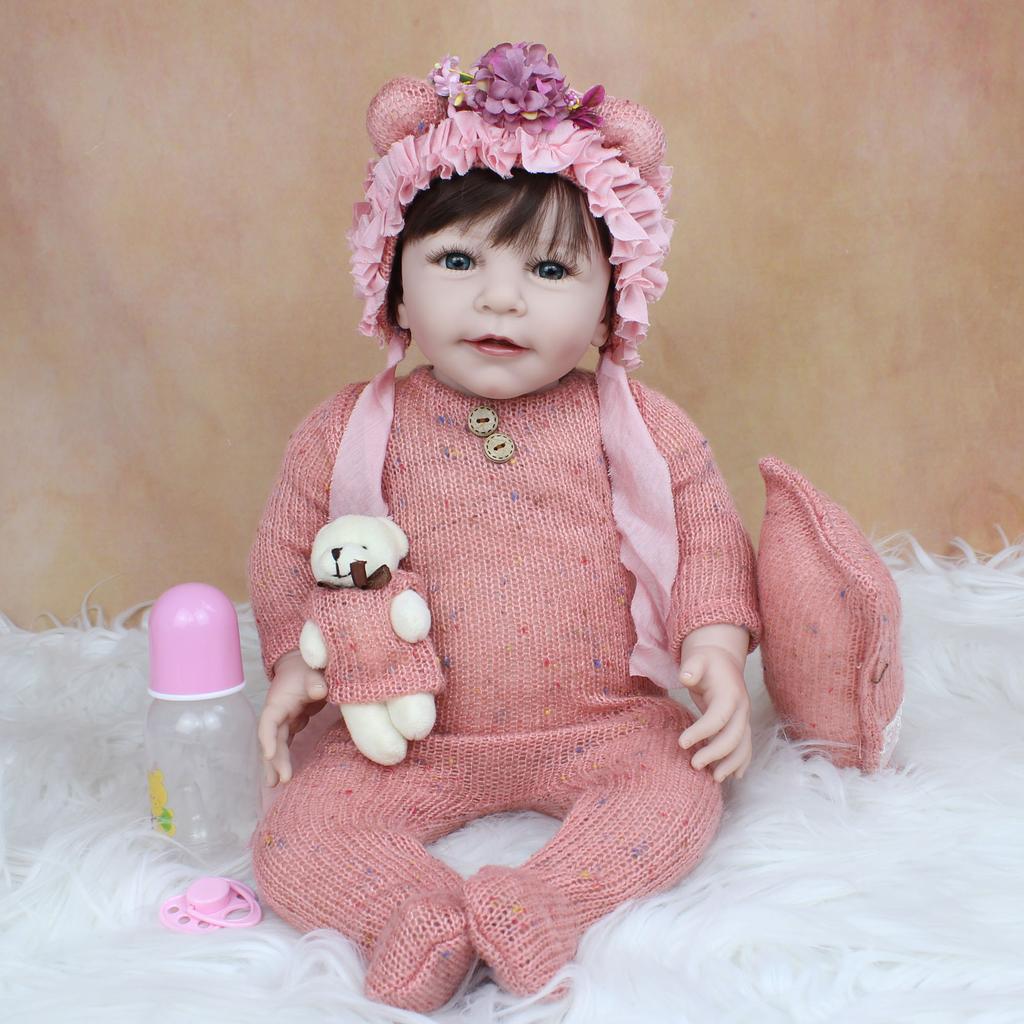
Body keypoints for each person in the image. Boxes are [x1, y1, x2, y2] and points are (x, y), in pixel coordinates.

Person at [247, 41, 762, 1013]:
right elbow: (286, 551)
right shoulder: (349, 428)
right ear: (394, 282)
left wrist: (716, 649)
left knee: (676, 794)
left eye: (550, 268)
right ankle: (413, 917)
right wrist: (292, 660)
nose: (499, 296)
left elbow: (706, 535)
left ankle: (545, 902)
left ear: (611, 303)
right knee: (295, 832)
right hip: (410, 732)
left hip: (603, 724)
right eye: (457, 260)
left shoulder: (639, 425)